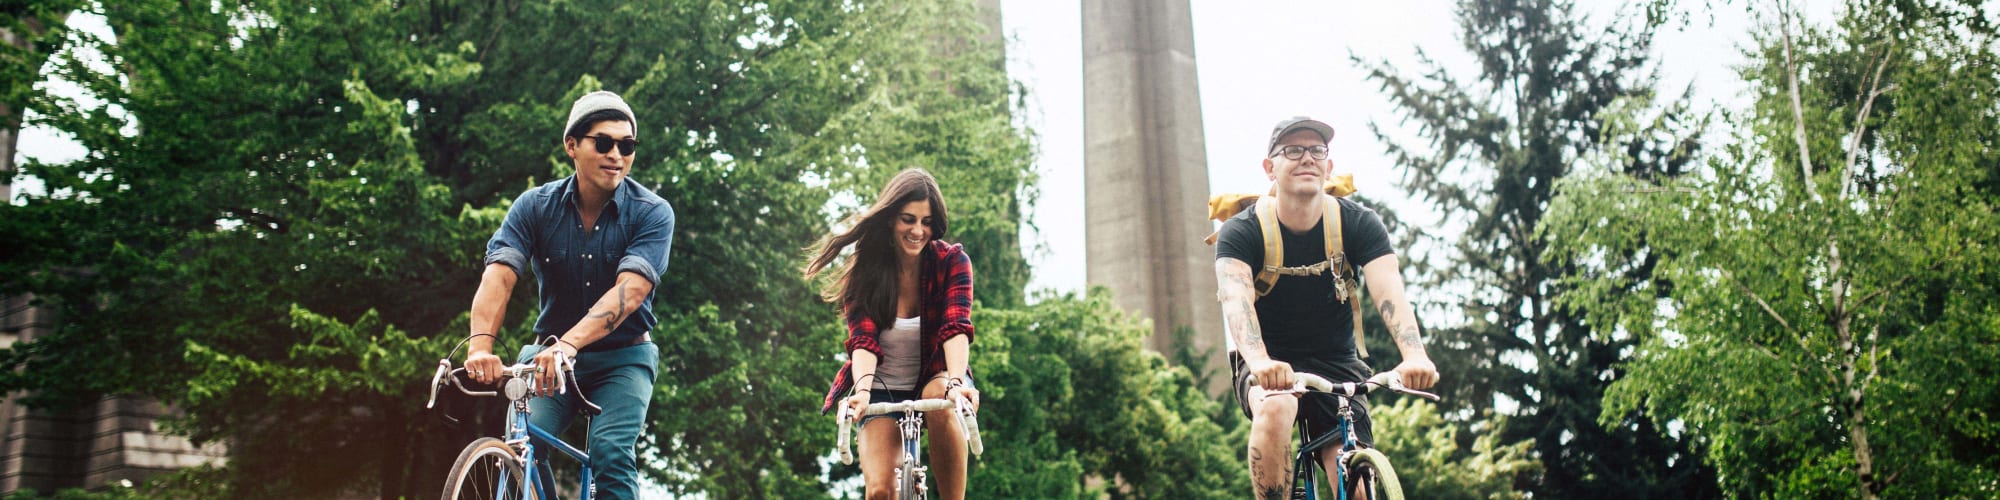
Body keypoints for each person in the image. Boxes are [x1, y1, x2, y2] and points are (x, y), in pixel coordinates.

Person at [462, 90, 675, 499]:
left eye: (626, 145)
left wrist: (569, 345)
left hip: (623, 359)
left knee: (611, 452)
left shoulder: (652, 212)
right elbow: (500, 276)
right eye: (604, 142)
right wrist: (480, 348)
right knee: (521, 445)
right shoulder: (534, 207)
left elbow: (629, 293)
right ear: (572, 146)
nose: (617, 154)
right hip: (545, 361)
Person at [1214, 116, 1439, 499]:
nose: (1307, 159)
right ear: (1270, 168)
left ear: (1328, 165)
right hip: (1267, 361)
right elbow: (1237, 301)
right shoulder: (1243, 231)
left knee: (1355, 485)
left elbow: (1389, 290)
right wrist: (1261, 362)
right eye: (1293, 151)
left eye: (1317, 150)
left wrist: (1415, 355)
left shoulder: (1358, 223)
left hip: (1336, 360)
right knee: (1277, 405)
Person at [806, 168, 981, 500]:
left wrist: (958, 384)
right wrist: (862, 391)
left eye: (927, 222)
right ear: (890, 219)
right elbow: (863, 341)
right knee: (881, 492)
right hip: (881, 389)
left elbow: (955, 327)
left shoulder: (952, 262)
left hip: (938, 377)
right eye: (908, 219)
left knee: (942, 401)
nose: (918, 230)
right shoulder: (867, 270)